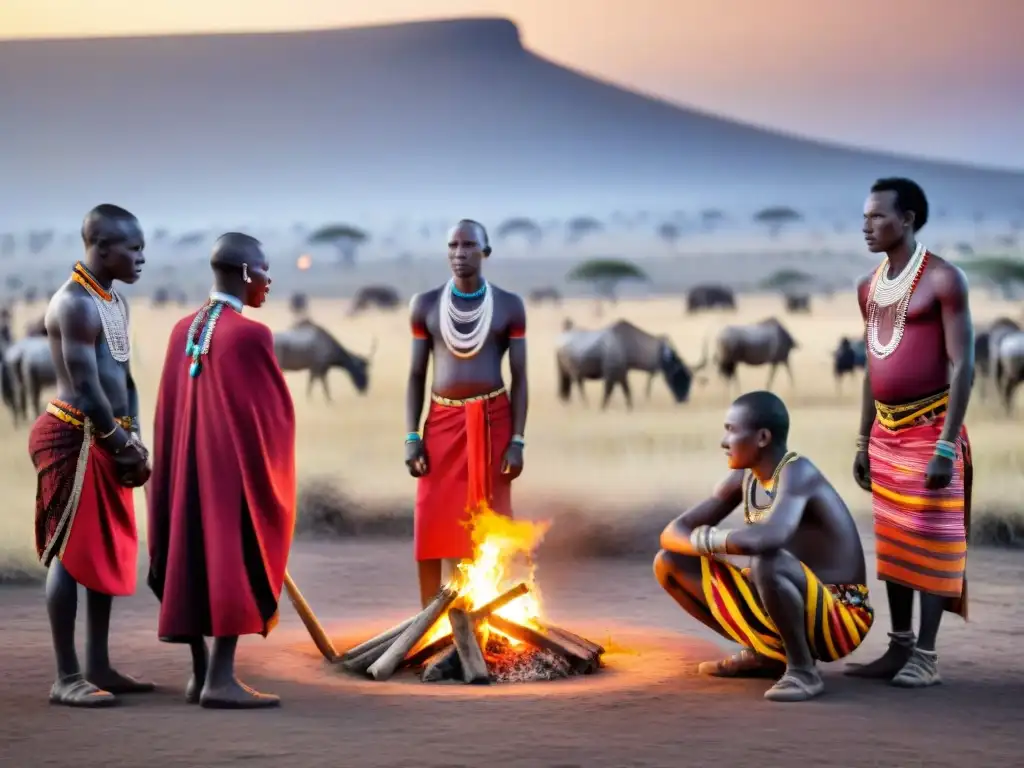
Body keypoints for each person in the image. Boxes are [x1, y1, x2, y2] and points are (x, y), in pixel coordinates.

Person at [146, 233, 296, 709]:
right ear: (248, 273)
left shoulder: (181, 330)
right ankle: (220, 679)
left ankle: (198, 676)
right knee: (233, 559)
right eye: (265, 270)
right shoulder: (252, 334)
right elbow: (271, 419)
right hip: (228, 478)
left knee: (187, 556)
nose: (269, 281)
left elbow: (168, 413)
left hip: (184, 471)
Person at [655, 391, 874, 703]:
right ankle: (769, 655)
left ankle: (803, 671)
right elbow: (672, 533)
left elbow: (771, 537)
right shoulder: (743, 479)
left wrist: (708, 540)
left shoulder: (799, 472)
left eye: (731, 430)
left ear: (762, 437)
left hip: (841, 617)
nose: (723, 441)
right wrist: (707, 542)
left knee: (766, 561)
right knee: (668, 564)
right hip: (793, 601)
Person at [845, 177, 974, 688]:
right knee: (895, 542)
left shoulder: (945, 279)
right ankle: (898, 650)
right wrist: (862, 439)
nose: (867, 226)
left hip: (930, 429)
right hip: (885, 432)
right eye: (864, 217)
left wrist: (946, 444)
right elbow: (871, 368)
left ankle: (926, 655)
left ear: (909, 220)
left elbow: (963, 365)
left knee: (933, 541)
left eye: (878, 216)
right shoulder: (867, 286)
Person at [29, 204, 153, 707]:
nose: (143, 258)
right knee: (70, 552)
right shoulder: (75, 304)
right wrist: (122, 445)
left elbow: (123, 379)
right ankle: (66, 676)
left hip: (107, 438)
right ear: (101, 247)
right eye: (134, 248)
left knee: (99, 552)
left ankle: (97, 665)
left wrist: (135, 437)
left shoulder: (111, 301)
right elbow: (85, 386)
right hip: (74, 437)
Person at [405, 219, 528, 607]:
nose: (459, 254)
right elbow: (415, 375)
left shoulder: (510, 305)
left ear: (485, 251)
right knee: (430, 519)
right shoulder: (424, 304)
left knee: (485, 522)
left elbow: (521, 376)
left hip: (494, 424)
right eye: (453, 246)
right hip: (441, 424)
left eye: (469, 246)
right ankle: (426, 620)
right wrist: (412, 437)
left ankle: (480, 612)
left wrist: (517, 441)